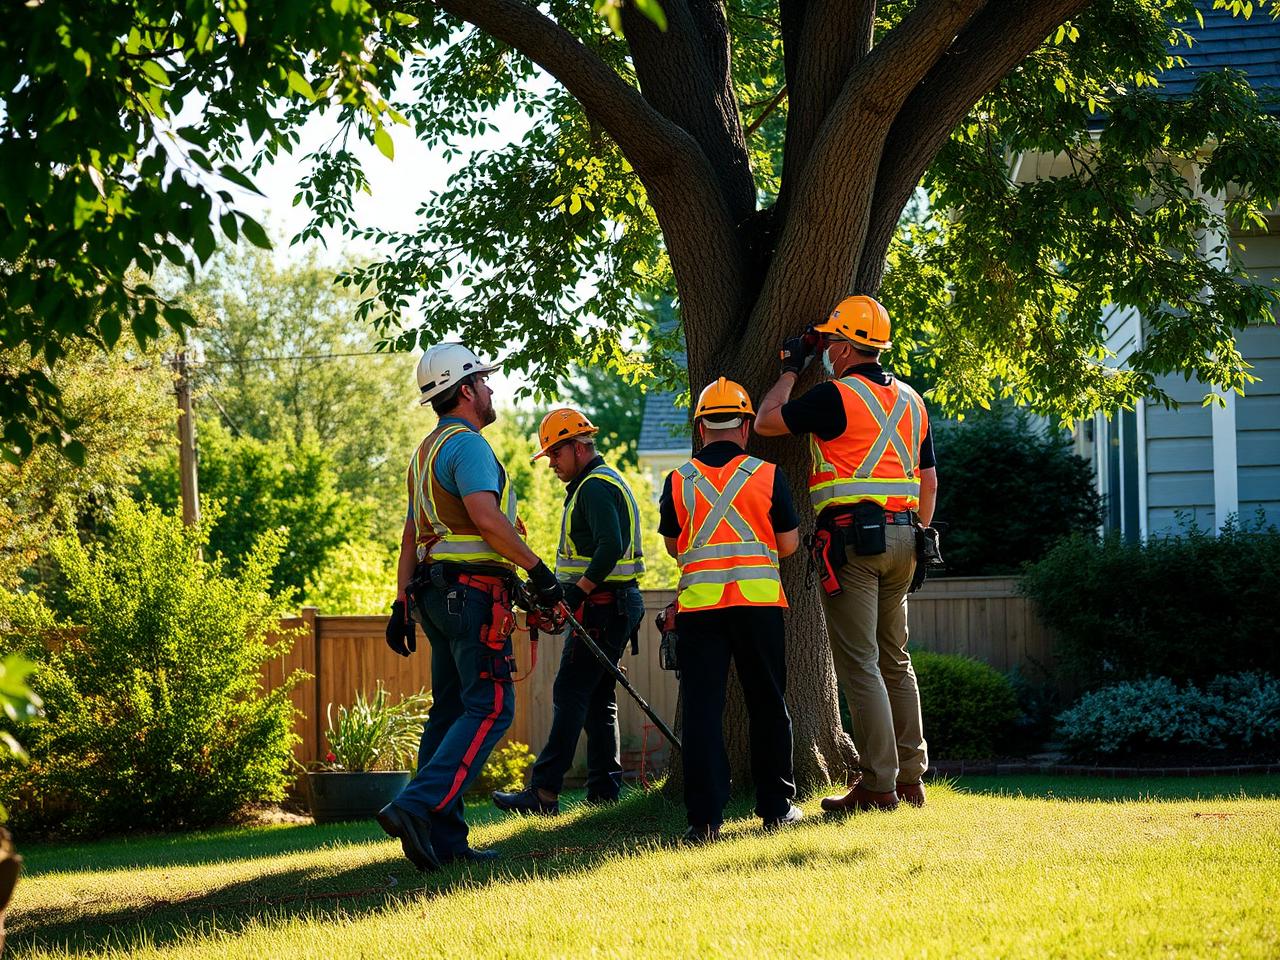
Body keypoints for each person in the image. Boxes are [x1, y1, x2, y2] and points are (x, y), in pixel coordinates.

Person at [377, 342, 564, 871]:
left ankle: (445, 840)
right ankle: (415, 806)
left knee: (451, 711)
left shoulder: (425, 453)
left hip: (436, 597)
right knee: (491, 707)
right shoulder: (470, 447)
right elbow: (486, 518)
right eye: (483, 381)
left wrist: (400, 603)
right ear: (464, 391)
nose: (491, 388)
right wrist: (538, 569)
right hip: (472, 598)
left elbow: (413, 534)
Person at [755, 295, 938, 812]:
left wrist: (791, 370)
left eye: (832, 340)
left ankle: (878, 784)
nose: (828, 350)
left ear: (847, 346)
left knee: (860, 663)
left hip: (853, 542)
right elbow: (928, 479)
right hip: (907, 538)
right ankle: (910, 777)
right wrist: (919, 533)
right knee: (895, 660)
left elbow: (767, 422)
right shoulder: (911, 401)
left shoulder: (835, 396)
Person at [658, 377, 802, 843]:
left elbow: (672, 546)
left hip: (701, 610)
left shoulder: (678, 481)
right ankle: (777, 808)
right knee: (767, 704)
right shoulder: (768, 474)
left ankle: (704, 821)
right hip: (758, 605)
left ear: (701, 428)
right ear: (744, 426)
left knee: (702, 711)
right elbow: (788, 545)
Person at [493, 408, 647, 815]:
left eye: (556, 455)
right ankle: (604, 793)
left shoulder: (594, 487)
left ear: (578, 448)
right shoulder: (598, 483)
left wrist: (574, 595)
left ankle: (544, 792)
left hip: (603, 608)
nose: (552, 465)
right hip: (612, 605)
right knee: (598, 699)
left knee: (570, 691)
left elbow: (609, 548)